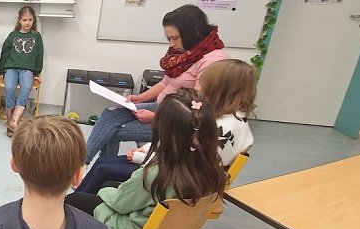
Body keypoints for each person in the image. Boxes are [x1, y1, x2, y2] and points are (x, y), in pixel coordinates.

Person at [66, 88, 226, 229]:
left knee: (76, 199)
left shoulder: (156, 173)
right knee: (108, 183)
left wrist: (106, 192)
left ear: (163, 130)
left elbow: (120, 204)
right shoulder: (212, 167)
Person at [75, 59, 255, 194]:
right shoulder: (235, 121)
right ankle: (78, 200)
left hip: (173, 180)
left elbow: (179, 160)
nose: (197, 87)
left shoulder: (215, 126)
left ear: (219, 90)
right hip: (170, 169)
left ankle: (76, 208)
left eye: (201, 83)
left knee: (103, 168)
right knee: (104, 163)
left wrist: (140, 157)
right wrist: (144, 152)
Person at [84, 4, 227, 163]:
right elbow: (166, 82)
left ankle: (98, 167)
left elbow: (198, 108)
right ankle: (83, 162)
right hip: (161, 107)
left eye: (175, 38)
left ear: (194, 33)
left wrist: (155, 118)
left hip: (177, 122)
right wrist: (140, 98)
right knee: (111, 113)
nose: (171, 44)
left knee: (112, 131)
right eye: (169, 38)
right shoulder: (184, 52)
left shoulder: (212, 61)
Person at [0, 6, 44, 137]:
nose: (27, 23)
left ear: (33, 20)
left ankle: (14, 121)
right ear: (19, 20)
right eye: (24, 20)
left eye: (30, 20)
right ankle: (10, 121)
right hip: (11, 68)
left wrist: (37, 73)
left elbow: (39, 56)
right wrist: (2, 71)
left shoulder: (36, 36)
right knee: (9, 87)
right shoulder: (13, 35)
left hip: (27, 70)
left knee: (26, 88)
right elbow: (5, 53)